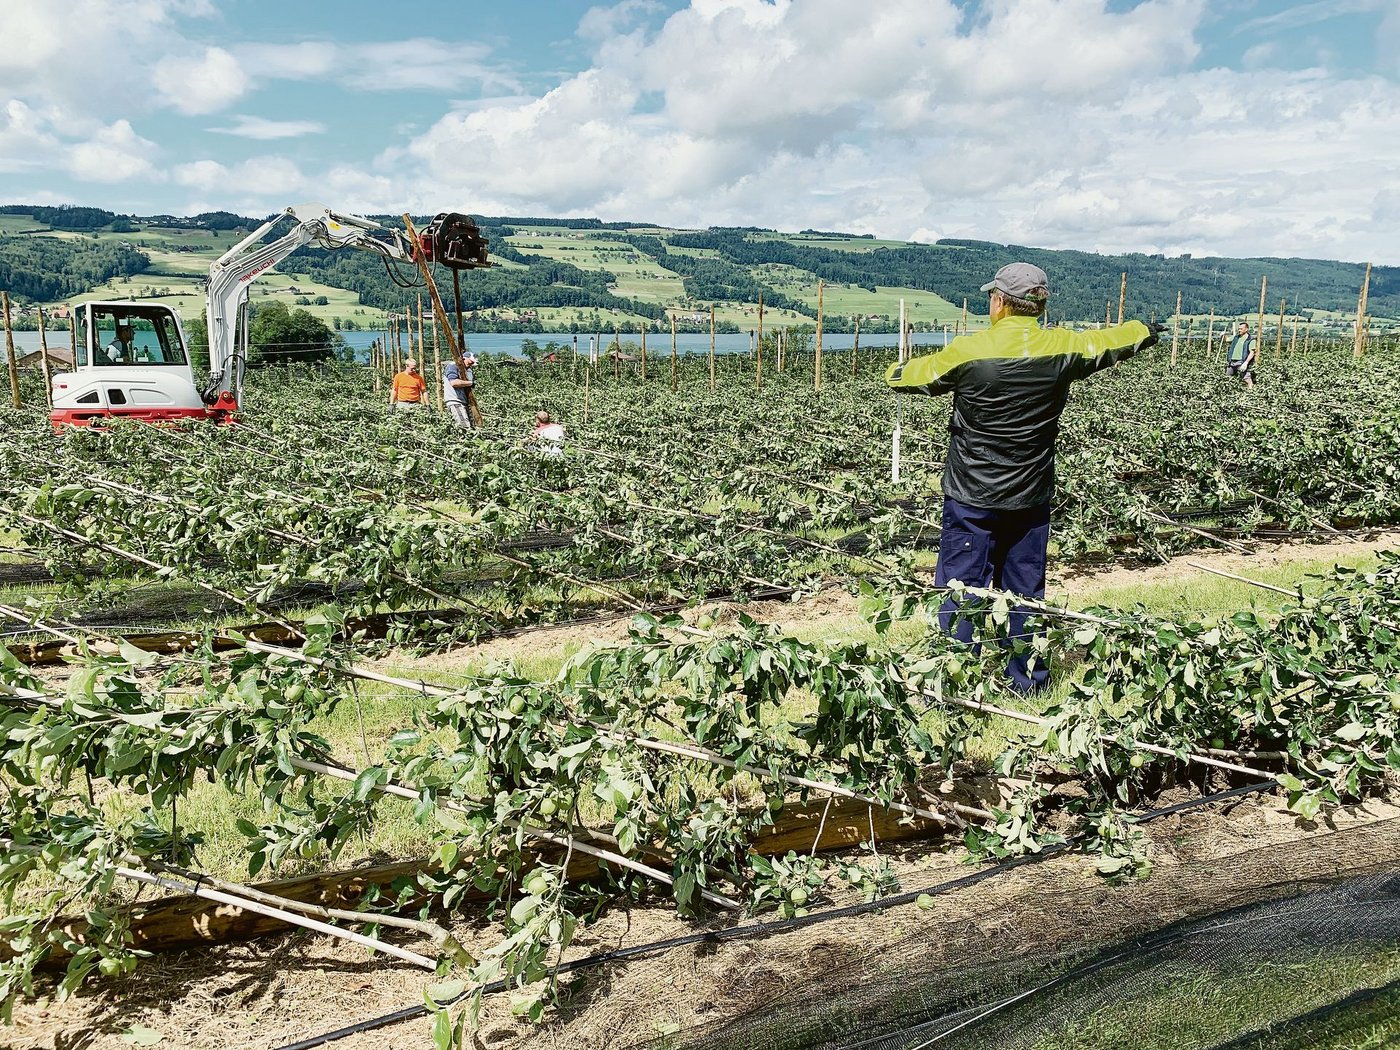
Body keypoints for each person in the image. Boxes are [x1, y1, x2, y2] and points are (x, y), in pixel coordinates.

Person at [885, 262, 1164, 693]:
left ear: (998, 302)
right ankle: (1028, 683)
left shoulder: (968, 351)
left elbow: (913, 377)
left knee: (962, 587)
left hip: (971, 494)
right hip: (1031, 495)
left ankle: (954, 683)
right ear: (1040, 304)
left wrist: (894, 372)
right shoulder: (1064, 348)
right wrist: (1146, 328)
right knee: (1024, 591)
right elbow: (1114, 341)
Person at [442, 354, 477, 428]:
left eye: (473, 363)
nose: (471, 364)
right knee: (464, 426)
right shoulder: (453, 366)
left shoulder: (469, 371)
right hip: (455, 401)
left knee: (472, 426)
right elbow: (454, 382)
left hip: (465, 402)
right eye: (470, 362)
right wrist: (470, 383)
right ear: (464, 359)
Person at [1225, 321, 1257, 388]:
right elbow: (1227, 340)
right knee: (1227, 378)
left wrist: (1246, 362)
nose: (1239, 330)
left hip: (1241, 362)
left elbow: (1252, 352)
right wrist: (1223, 335)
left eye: (1241, 329)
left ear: (1246, 329)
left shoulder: (1250, 339)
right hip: (1232, 362)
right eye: (1239, 328)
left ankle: (1252, 392)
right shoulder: (1236, 337)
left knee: (1246, 378)